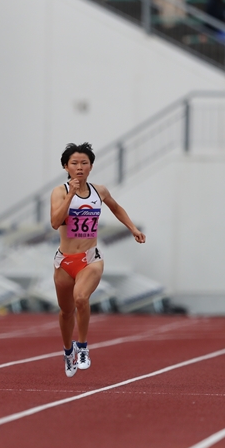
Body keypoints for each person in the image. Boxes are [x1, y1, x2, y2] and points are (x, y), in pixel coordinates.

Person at [50, 143, 146, 377]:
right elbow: (55, 222)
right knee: (65, 311)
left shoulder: (99, 191)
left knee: (81, 298)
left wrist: (132, 228)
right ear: (66, 166)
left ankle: (83, 347)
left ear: (91, 166)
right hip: (64, 260)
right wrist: (71, 193)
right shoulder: (60, 192)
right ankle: (68, 350)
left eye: (84, 163)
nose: (79, 167)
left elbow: (116, 207)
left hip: (90, 258)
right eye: (74, 163)